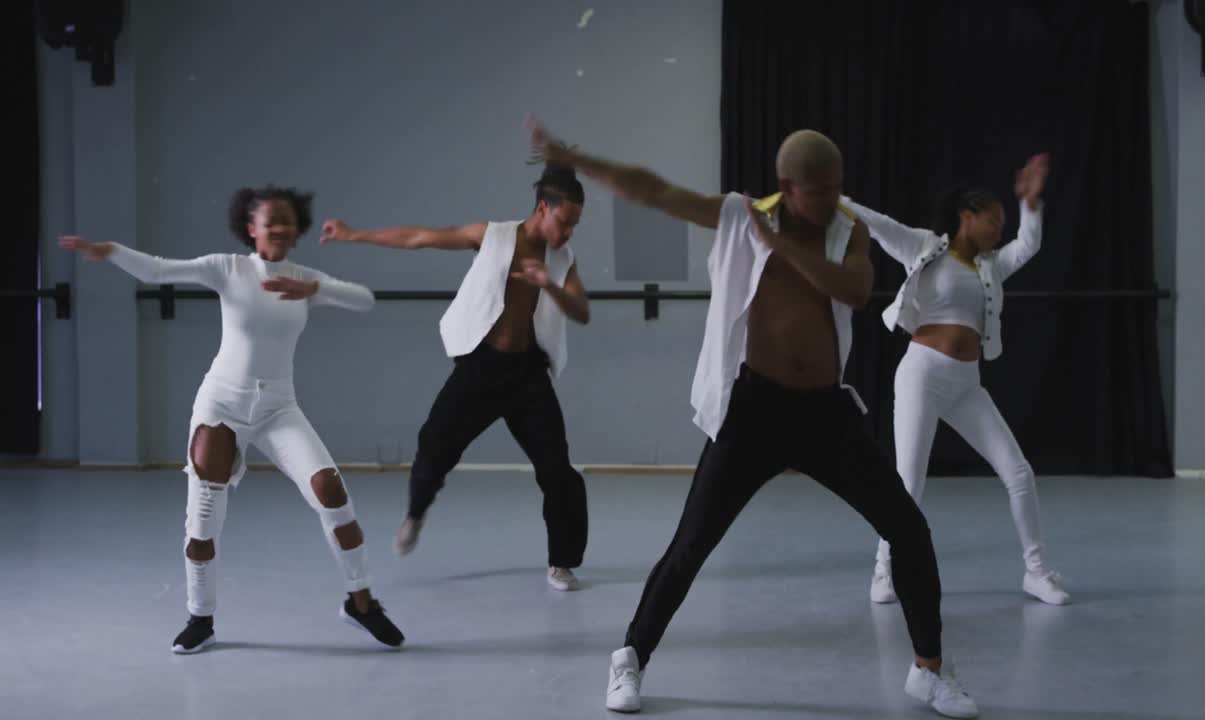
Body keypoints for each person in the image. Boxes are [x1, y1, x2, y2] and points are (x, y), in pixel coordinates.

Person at [527, 117, 979, 719]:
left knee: (908, 528)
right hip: (754, 409)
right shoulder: (743, 217)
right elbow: (654, 190)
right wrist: (578, 160)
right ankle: (630, 657)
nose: (832, 199)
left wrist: (786, 246)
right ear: (788, 186)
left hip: (825, 414)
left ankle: (929, 670)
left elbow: (853, 291)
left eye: (837, 186)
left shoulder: (849, 232)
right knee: (692, 543)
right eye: (819, 189)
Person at [60, 186, 404, 654]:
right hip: (221, 406)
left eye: (287, 221)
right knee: (203, 522)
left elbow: (364, 299)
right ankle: (200, 618)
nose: (279, 228)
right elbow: (160, 269)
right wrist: (112, 252)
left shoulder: (305, 279)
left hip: (279, 408)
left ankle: (361, 604)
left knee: (331, 491)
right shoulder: (228, 268)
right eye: (270, 221)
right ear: (252, 229)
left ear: (296, 229)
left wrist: (316, 289)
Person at [320, 163, 591, 592]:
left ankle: (562, 561)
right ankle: (416, 512)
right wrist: (355, 235)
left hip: (527, 375)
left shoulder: (562, 258)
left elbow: (582, 312)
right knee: (435, 443)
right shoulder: (494, 235)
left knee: (558, 470)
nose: (569, 233)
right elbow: (421, 238)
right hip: (481, 366)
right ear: (543, 207)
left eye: (575, 225)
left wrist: (549, 284)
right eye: (566, 222)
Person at [849, 154, 1070, 607]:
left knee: (1018, 472)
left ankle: (1036, 572)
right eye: (992, 220)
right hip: (921, 375)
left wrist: (1030, 203)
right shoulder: (923, 246)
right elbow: (877, 223)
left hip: (967, 384)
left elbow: (1028, 245)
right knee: (908, 482)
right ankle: (883, 571)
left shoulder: (992, 267)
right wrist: (831, 199)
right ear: (966, 216)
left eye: (1002, 222)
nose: (998, 230)